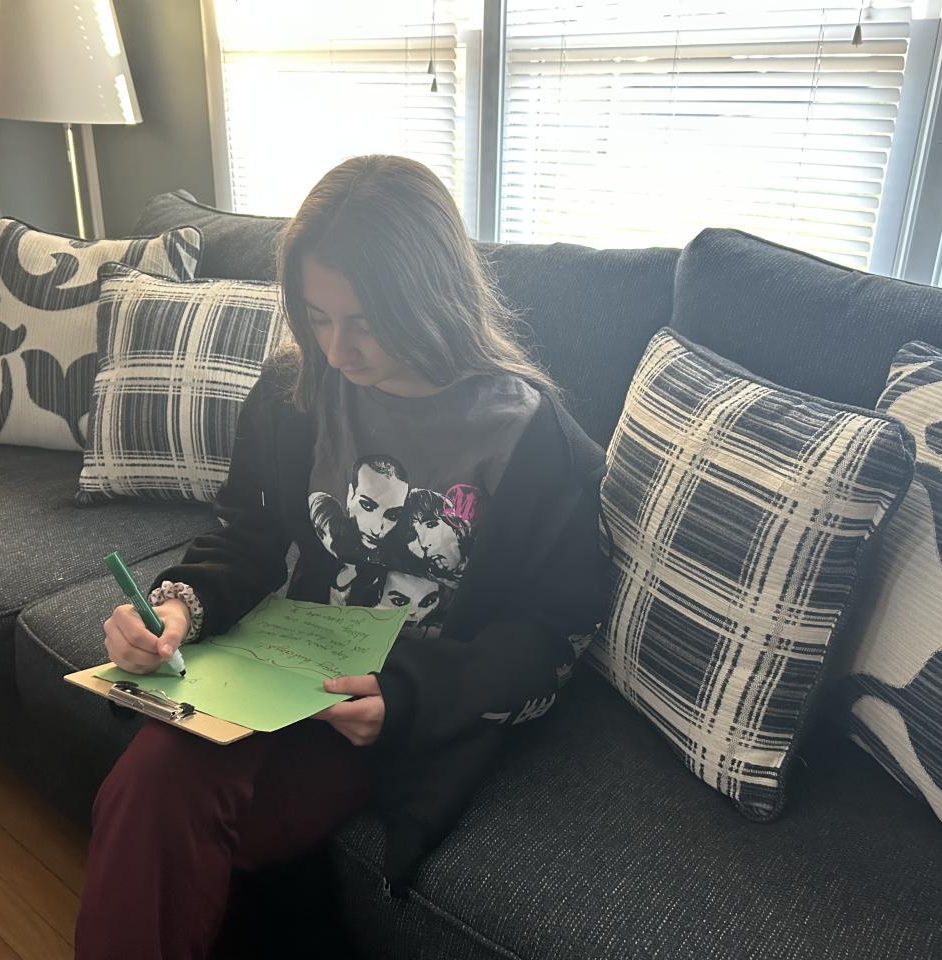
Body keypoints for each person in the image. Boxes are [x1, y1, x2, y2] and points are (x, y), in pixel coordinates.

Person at [74, 154, 607, 960]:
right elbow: (248, 535)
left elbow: (552, 634)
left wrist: (407, 699)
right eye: (317, 318)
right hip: (271, 663)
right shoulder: (296, 389)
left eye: (364, 322)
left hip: (383, 704)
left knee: (172, 820)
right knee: (152, 780)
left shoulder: (533, 439)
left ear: (433, 301)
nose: (337, 348)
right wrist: (177, 605)